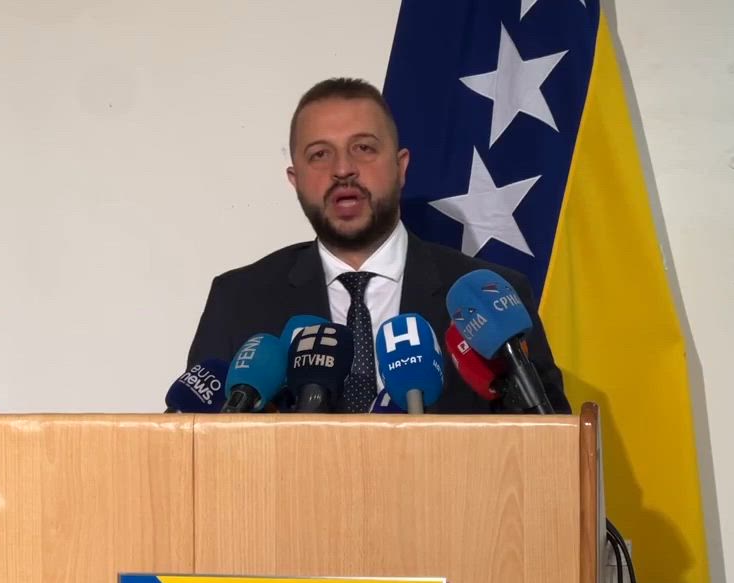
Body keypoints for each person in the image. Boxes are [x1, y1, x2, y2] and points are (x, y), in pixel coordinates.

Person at [185, 78, 569, 413]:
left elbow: (547, 445)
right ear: (295, 179)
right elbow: (198, 447)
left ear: (401, 167)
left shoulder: (490, 296)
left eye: (364, 148)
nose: (342, 169)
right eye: (319, 154)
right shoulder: (239, 300)